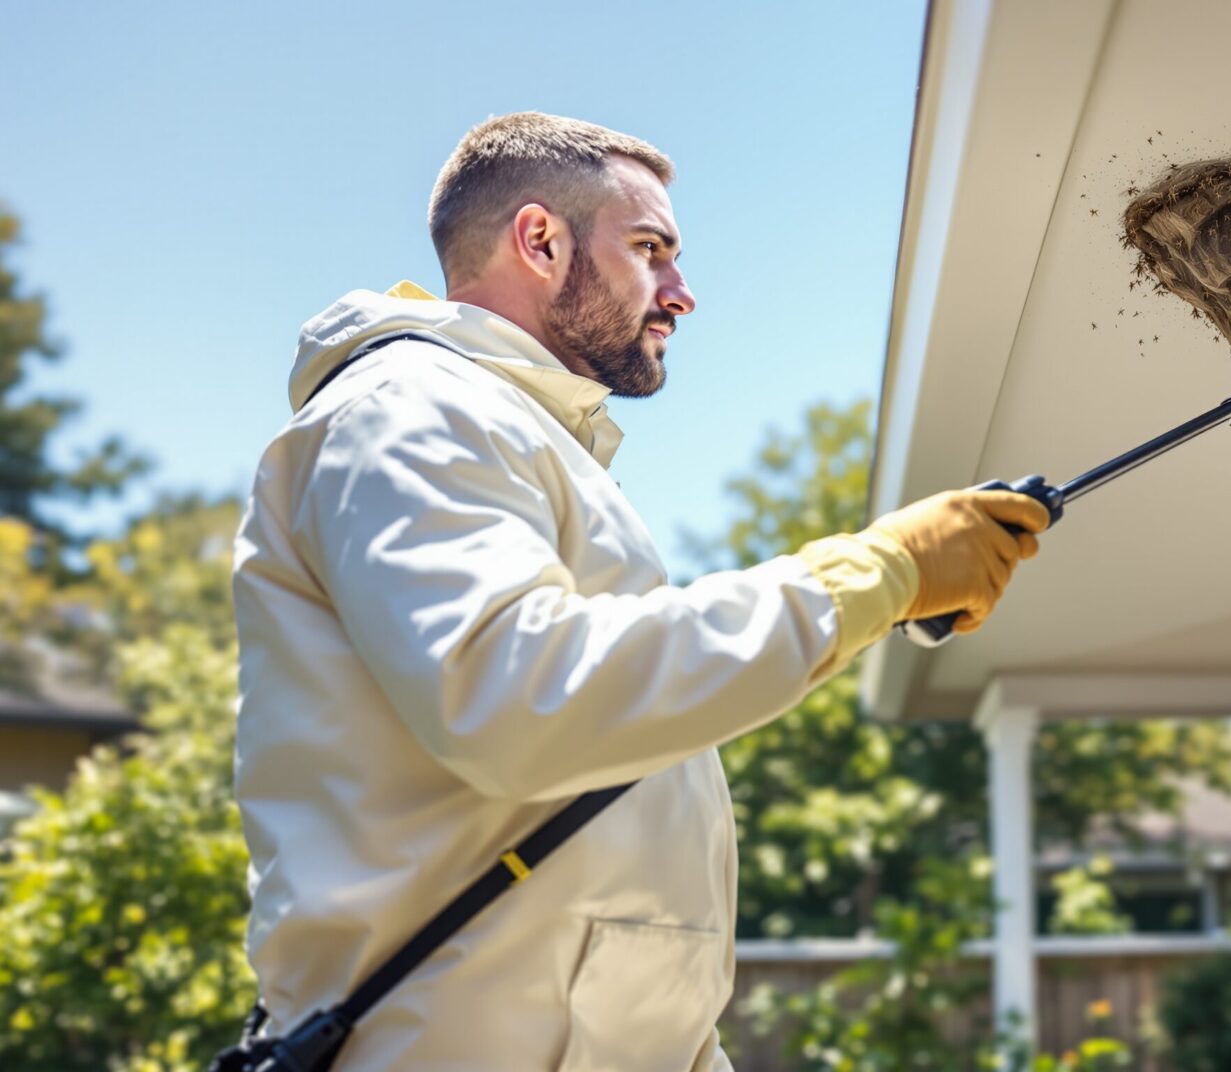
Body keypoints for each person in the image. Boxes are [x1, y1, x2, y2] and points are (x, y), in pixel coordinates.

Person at [230, 111, 1048, 1071]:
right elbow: (517, 694)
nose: (683, 292)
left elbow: (602, 852)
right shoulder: (409, 412)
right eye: (651, 249)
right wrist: (878, 574)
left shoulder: (521, 438)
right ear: (540, 241)